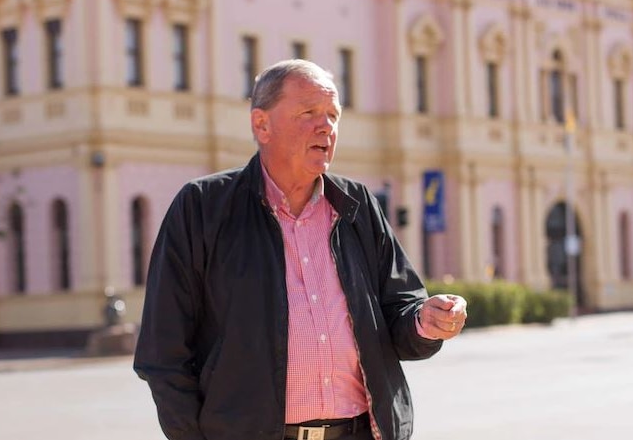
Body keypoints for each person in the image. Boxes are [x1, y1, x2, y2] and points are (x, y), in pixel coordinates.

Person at [133, 59, 467, 440]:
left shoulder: (357, 204)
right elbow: (162, 352)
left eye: (332, 115)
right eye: (309, 112)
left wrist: (427, 320)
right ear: (262, 125)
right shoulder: (202, 207)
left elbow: (399, 311)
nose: (326, 126)